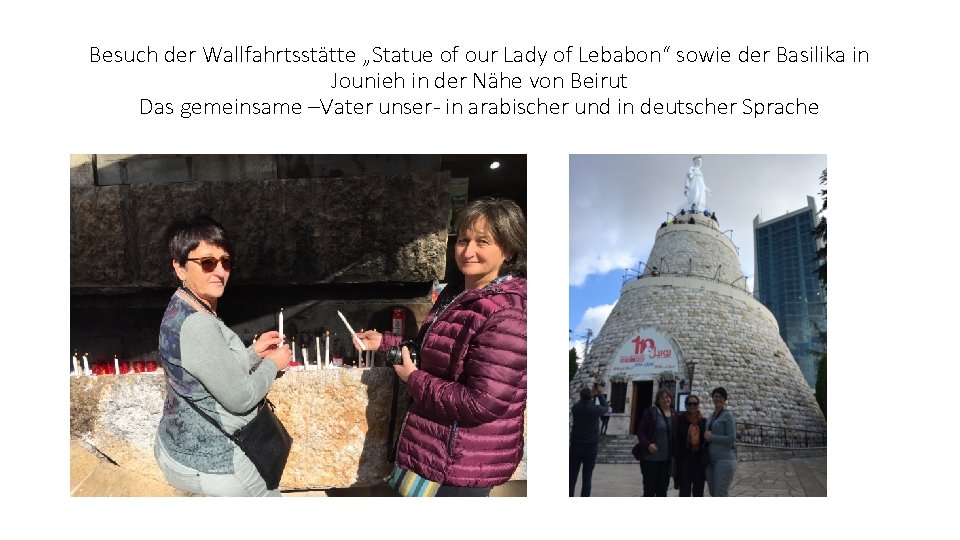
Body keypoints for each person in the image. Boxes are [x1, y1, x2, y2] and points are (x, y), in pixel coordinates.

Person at [356, 197, 527, 497]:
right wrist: (385, 342)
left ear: (509, 250)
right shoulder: (458, 291)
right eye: (463, 240)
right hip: (438, 451)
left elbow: (483, 402)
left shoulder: (508, 314)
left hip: (463, 462)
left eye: (483, 241)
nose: (468, 251)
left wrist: (414, 380)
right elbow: (436, 351)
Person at [153, 216, 292, 496]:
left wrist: (253, 354)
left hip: (179, 446)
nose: (220, 272)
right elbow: (241, 399)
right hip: (215, 460)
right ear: (179, 267)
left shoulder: (181, 305)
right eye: (207, 263)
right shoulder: (198, 324)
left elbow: (206, 369)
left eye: (225, 262)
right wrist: (272, 364)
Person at [570, 385, 608, 496]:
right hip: (590, 447)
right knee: (587, 477)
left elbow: (579, 403)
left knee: (571, 477)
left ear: (581, 396)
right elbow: (605, 407)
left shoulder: (576, 408)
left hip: (576, 446)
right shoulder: (594, 409)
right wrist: (600, 395)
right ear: (591, 397)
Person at [636, 388, 674, 496]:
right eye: (662, 398)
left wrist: (699, 415)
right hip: (650, 460)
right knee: (649, 491)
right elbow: (640, 431)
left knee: (662, 491)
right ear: (658, 400)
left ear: (671, 398)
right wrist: (648, 445)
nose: (665, 400)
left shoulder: (674, 414)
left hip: (665, 460)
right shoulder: (651, 412)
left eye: (667, 397)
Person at [704, 386, 737, 497]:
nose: (718, 399)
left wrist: (712, 437)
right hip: (710, 461)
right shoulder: (711, 416)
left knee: (721, 494)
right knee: (713, 493)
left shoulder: (728, 416)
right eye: (715, 396)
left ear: (724, 400)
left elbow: (731, 439)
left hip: (724, 460)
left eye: (720, 397)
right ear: (712, 398)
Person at [674, 394, 708, 496]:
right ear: (686, 405)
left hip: (699, 462)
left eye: (695, 403)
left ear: (698, 405)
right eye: (690, 404)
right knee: (684, 492)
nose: (692, 406)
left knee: (698, 492)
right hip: (684, 462)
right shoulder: (680, 420)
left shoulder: (703, 421)